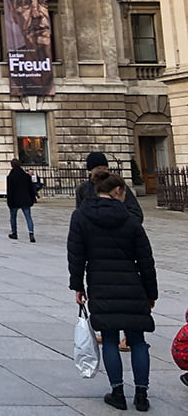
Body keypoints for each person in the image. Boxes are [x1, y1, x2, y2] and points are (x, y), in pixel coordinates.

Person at [68, 170, 157, 412]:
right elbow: (146, 260)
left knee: (109, 340)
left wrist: (77, 285)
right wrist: (151, 293)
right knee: (138, 341)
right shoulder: (130, 219)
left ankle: (117, 392)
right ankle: (141, 395)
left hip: (99, 284)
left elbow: (76, 255)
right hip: (132, 285)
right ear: (117, 191)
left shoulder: (80, 217)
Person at [78, 152, 143, 223]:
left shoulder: (118, 185)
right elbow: (80, 215)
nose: (102, 171)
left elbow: (136, 214)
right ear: (90, 170)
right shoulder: (82, 189)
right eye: (98, 168)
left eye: (105, 168)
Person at [5, 158, 37, 242]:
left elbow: (9, 191)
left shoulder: (11, 177)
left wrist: (9, 202)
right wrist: (32, 199)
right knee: (28, 217)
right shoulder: (26, 176)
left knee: (13, 217)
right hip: (25, 199)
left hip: (15, 200)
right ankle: (31, 233)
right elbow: (31, 189)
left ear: (12, 165)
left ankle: (14, 233)